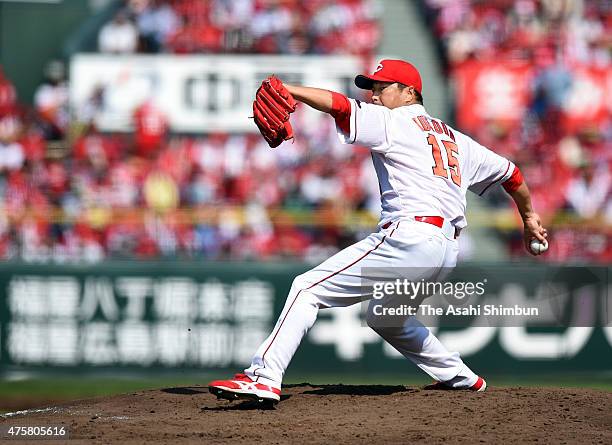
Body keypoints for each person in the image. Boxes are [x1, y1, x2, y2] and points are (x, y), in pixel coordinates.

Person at [208, 59, 549, 403]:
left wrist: (290, 89)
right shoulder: (457, 140)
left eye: (381, 87)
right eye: (371, 88)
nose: (373, 95)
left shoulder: (394, 120)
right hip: (446, 250)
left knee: (306, 288)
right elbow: (512, 174)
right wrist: (530, 217)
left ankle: (264, 376)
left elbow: (340, 106)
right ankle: (460, 377)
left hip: (409, 238)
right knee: (386, 317)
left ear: (409, 92)